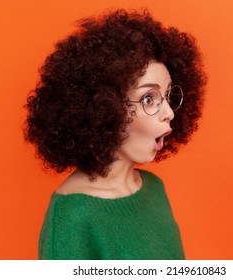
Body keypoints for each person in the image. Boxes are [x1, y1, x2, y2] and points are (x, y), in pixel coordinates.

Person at [24, 8, 206, 260]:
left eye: (167, 96)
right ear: (103, 108)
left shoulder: (154, 189)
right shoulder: (73, 217)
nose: (169, 112)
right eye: (148, 98)